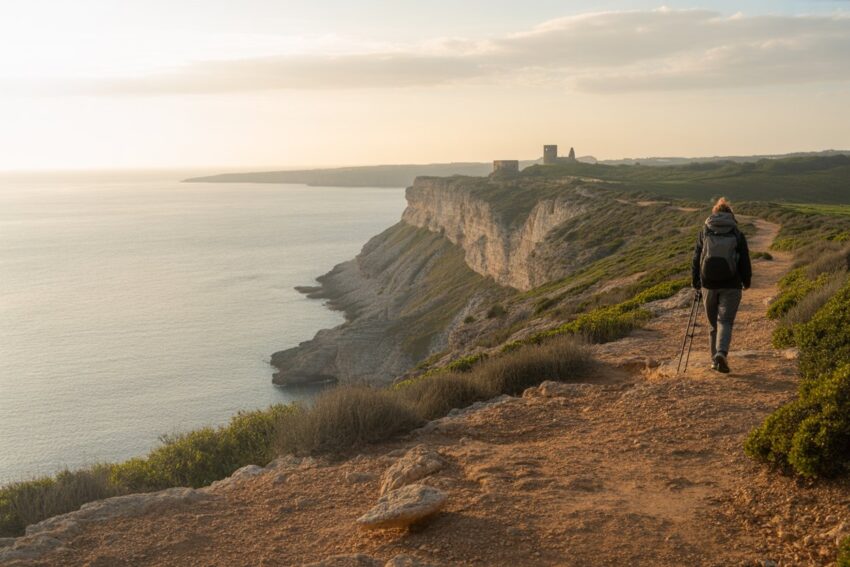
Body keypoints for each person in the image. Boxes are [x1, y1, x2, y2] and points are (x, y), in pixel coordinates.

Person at [691, 198, 752, 373]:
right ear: (730, 214)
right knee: (725, 321)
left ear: (715, 213)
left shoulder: (705, 231)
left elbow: (696, 257)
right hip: (731, 283)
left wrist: (695, 280)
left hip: (708, 283)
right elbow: (745, 261)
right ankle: (721, 353)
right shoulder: (737, 233)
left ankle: (714, 361)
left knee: (712, 324)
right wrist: (746, 281)